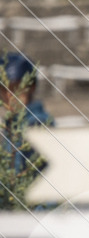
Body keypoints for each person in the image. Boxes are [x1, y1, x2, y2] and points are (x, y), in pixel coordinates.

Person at [0, 52, 54, 190]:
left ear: (31, 87)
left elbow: (18, 180)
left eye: (15, 87)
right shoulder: (12, 125)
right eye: (3, 89)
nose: (9, 95)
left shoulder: (38, 124)